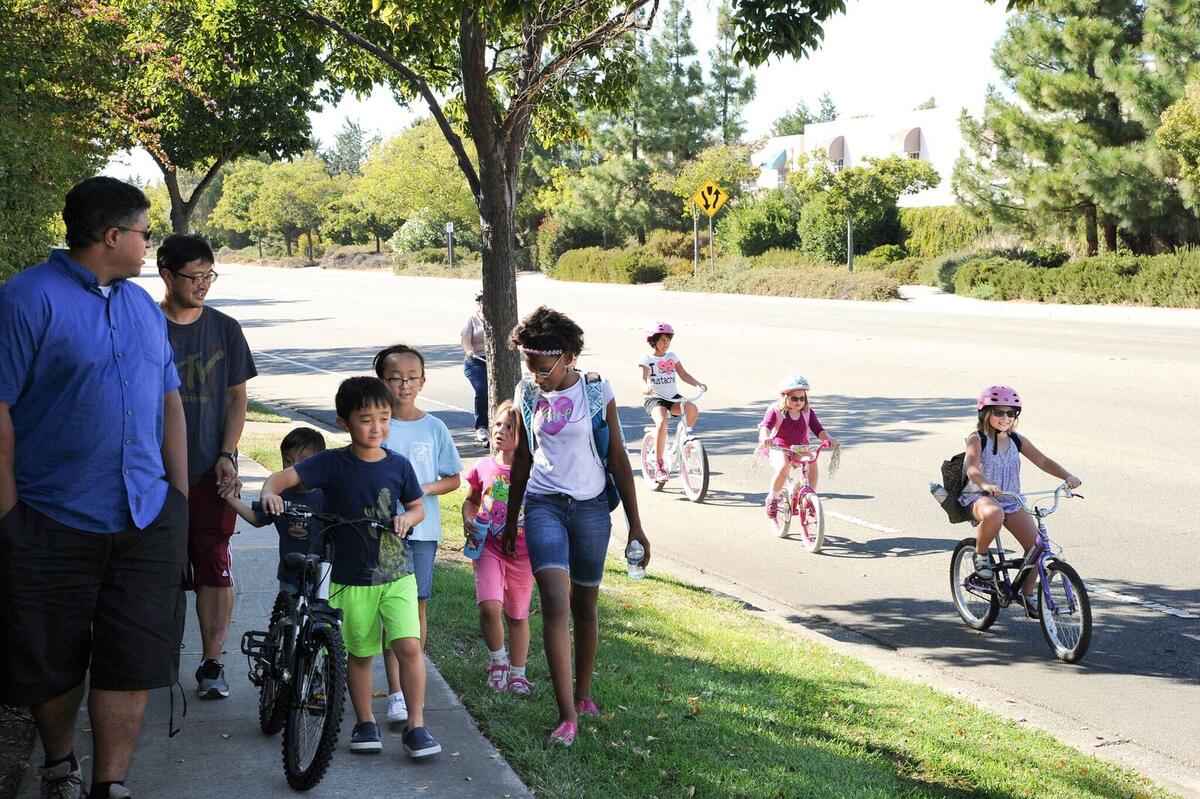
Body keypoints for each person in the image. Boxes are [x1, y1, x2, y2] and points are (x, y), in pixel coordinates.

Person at [0, 176, 189, 799]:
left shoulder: (141, 307)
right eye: (142, 233)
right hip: (51, 517)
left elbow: (169, 401)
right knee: (52, 657)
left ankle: (111, 783)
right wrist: (8, 515)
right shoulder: (25, 300)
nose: (147, 245)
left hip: (145, 514)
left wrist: (178, 500)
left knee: (131, 654)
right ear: (113, 237)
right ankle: (59, 763)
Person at [258, 377, 441, 758]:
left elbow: (417, 505)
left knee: (408, 646)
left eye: (384, 418)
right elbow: (281, 479)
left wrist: (410, 517)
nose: (376, 427)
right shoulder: (330, 463)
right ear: (344, 423)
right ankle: (365, 722)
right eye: (366, 419)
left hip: (396, 573)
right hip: (349, 578)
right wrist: (269, 493)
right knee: (359, 654)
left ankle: (417, 726)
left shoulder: (399, 466)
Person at [503, 306, 650, 747]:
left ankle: (583, 694)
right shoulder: (527, 391)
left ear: (567, 356)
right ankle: (566, 715)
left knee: (585, 605)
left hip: (589, 510)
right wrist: (512, 520)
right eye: (530, 367)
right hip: (543, 503)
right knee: (553, 599)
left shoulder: (595, 389)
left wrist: (635, 527)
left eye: (543, 368)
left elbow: (618, 458)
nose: (536, 376)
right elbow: (524, 458)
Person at [157, 233, 257, 701]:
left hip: (212, 472)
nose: (202, 285)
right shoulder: (146, 324)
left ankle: (211, 663)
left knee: (214, 564)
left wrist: (226, 453)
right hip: (151, 475)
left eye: (209, 276)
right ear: (166, 274)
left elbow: (237, 398)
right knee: (157, 567)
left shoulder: (225, 328)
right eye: (194, 277)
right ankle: (155, 659)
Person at [373, 344, 462, 726]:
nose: (404, 385)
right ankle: (394, 691)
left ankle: (413, 685)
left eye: (411, 378)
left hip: (423, 531)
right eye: (395, 378)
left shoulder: (434, 427)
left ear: (423, 380)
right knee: (387, 610)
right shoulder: (376, 423)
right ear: (382, 382)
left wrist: (422, 489)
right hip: (383, 530)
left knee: (418, 606)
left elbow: (453, 477)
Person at [960, 385, 1082, 618]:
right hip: (980, 497)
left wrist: (1067, 476)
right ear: (985, 413)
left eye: (1011, 413)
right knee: (994, 514)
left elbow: (1043, 461)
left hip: (1011, 499)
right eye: (998, 412)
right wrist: (985, 484)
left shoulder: (1017, 440)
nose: (1005, 418)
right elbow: (972, 468)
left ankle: (1027, 595)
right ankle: (981, 555)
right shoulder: (977, 439)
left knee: (1036, 548)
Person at [461, 401, 535, 696]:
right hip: (488, 546)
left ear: (524, 435)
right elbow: (471, 500)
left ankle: (518, 673)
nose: (500, 431)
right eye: (497, 425)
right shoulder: (483, 467)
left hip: (523, 553)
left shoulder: (532, 471)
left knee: (517, 615)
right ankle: (499, 662)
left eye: (509, 427)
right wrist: (469, 519)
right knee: (490, 607)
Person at [219, 427, 326, 594]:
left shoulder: (327, 495)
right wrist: (232, 498)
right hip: (290, 574)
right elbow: (257, 519)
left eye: (304, 461)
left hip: (324, 576)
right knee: (286, 613)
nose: (294, 468)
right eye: (288, 461)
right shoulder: (278, 494)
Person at [757, 375, 837, 521]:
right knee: (783, 468)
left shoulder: (807, 412)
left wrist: (828, 439)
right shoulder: (775, 410)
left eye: (802, 398)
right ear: (784, 397)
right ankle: (772, 498)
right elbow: (766, 427)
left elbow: (818, 429)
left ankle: (810, 497)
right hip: (778, 447)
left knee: (812, 462)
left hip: (799, 447)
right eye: (794, 398)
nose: (799, 402)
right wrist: (765, 438)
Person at [638, 322, 706, 480]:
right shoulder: (646, 358)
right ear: (653, 341)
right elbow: (642, 378)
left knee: (691, 409)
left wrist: (698, 384)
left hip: (673, 398)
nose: (666, 343)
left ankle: (683, 440)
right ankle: (659, 464)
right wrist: (645, 387)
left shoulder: (672, 356)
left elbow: (683, 374)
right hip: (655, 398)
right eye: (662, 340)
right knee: (662, 422)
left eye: (668, 340)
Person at [461, 287, 489, 443]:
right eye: (481, 300)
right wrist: (469, 350)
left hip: (492, 362)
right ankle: (481, 427)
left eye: (486, 300)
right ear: (478, 302)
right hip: (476, 362)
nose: (484, 303)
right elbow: (465, 339)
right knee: (483, 390)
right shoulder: (472, 320)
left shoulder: (501, 318)